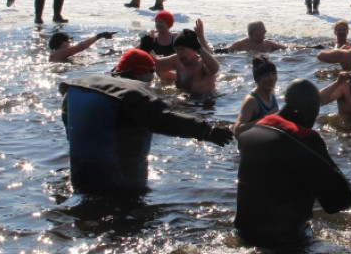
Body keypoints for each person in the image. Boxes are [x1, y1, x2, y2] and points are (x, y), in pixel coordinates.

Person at [59, 48, 233, 196]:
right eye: (151, 75)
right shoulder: (135, 93)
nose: (152, 81)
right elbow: (164, 120)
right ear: (143, 73)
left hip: (80, 176)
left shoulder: (80, 84)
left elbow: (69, 124)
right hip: (118, 187)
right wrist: (206, 131)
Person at [234, 79, 351, 248]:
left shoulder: (252, 134)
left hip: (244, 234)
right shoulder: (305, 139)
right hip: (285, 241)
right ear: (310, 110)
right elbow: (338, 200)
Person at [154, 21, 220, 95]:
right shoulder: (176, 59)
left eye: (182, 49)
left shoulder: (201, 63)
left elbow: (215, 68)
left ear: (193, 49)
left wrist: (199, 47)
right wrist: (146, 44)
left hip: (203, 100)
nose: (180, 53)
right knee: (160, 73)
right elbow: (157, 64)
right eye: (177, 49)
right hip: (184, 96)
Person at [233, 56, 280, 137]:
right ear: (257, 79)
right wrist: (265, 119)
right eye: (266, 75)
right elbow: (237, 130)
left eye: (274, 74)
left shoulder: (272, 93)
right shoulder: (251, 100)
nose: (271, 78)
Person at [49, 30, 116, 63]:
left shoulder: (57, 54)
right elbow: (80, 47)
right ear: (62, 42)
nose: (70, 43)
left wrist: (104, 54)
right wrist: (99, 36)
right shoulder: (59, 53)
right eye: (68, 41)